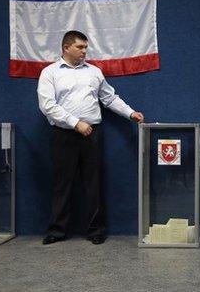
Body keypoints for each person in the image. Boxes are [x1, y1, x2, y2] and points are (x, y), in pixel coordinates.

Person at [37, 30, 144, 245]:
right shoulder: (50, 73)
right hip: (63, 134)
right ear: (66, 48)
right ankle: (57, 231)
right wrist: (76, 123)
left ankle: (96, 231)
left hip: (92, 135)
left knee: (93, 183)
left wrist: (130, 113)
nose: (85, 51)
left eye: (86, 47)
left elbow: (109, 98)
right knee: (62, 184)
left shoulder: (94, 72)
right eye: (80, 47)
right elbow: (47, 106)